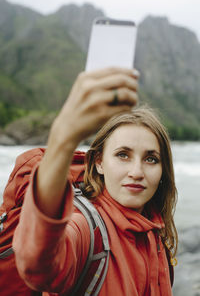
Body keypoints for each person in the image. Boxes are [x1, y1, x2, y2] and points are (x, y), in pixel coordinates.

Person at [12, 67, 178, 295]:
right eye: (123, 155)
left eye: (151, 158)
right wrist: (64, 136)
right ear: (98, 162)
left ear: (163, 170)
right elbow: (37, 264)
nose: (137, 171)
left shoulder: (156, 234)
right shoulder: (86, 231)